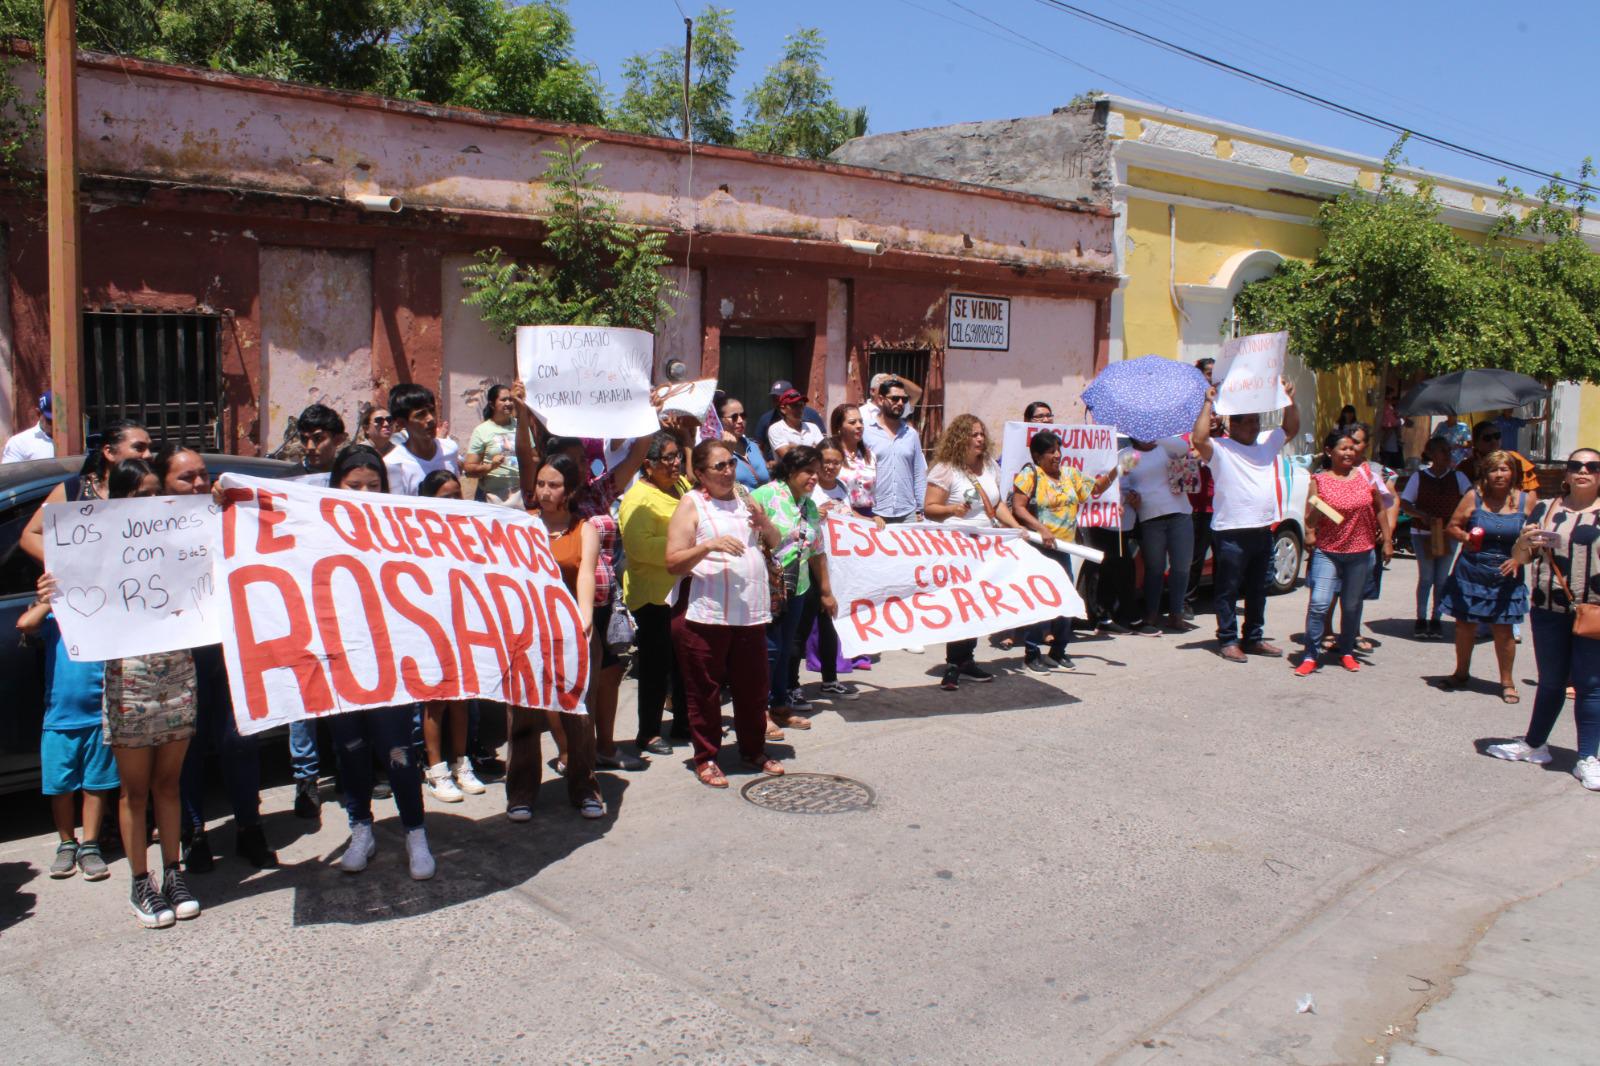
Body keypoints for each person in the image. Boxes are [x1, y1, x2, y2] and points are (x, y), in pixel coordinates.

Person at [321, 445, 435, 880]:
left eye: (373, 486)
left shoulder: (398, 529)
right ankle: (361, 828)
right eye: (354, 487)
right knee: (349, 749)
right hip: (339, 658)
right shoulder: (315, 529)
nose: (364, 494)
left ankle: (416, 832)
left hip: (388, 658)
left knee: (398, 750)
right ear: (335, 488)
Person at [160, 445, 275, 872]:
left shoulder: (226, 515)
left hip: (227, 648)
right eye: (185, 477)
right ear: (164, 484)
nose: (198, 483)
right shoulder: (146, 528)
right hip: (179, 654)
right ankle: (193, 834)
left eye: (202, 474)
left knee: (238, 741)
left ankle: (250, 828)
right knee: (185, 749)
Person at [101, 457, 202, 927]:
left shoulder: (179, 538)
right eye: (138, 494)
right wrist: (51, 589)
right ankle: (141, 881)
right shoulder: (98, 544)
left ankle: (173, 872)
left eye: (152, 491)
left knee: (168, 783)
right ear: (120, 498)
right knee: (135, 791)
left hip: (178, 669)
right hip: (129, 675)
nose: (148, 502)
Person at [665, 439, 785, 787]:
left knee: (753, 687)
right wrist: (708, 546)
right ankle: (706, 758)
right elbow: (672, 561)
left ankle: (753, 749)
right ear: (700, 473)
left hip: (749, 609)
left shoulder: (746, 498)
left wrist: (764, 524)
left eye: (731, 463)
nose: (728, 471)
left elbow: (774, 541)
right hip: (706, 613)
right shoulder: (692, 505)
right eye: (719, 466)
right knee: (705, 691)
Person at [1491, 449, 1600, 788]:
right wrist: (1523, 542)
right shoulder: (1546, 508)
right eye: (1575, 466)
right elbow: (1521, 558)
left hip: (1594, 610)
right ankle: (1535, 744)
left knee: (1590, 685)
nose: (1583, 471)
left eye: (1592, 466)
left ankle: (1587, 758)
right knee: (1551, 680)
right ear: (1566, 474)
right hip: (1547, 608)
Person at [505, 453, 605, 821]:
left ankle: (585, 788)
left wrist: (584, 619)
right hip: (528, 634)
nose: (544, 492)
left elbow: (585, 574)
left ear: (571, 490)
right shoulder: (520, 525)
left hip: (572, 635)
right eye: (541, 484)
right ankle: (520, 793)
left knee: (579, 716)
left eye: (554, 485)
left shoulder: (584, 529)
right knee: (524, 714)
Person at [1190, 379, 1301, 663]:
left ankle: (1253, 637)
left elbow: (1291, 429)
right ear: (1234, 425)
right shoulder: (1221, 448)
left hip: (1263, 529)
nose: (1254, 426)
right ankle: (1228, 639)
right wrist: (1208, 403)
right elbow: (1199, 439)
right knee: (1227, 590)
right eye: (1248, 422)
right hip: (1230, 532)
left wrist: (1289, 399)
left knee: (1258, 589)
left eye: (1256, 420)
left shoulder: (1264, 443)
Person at [17, 572, 116, 883]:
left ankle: (90, 845)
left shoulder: (103, 620)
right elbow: (25, 625)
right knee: (61, 789)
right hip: (59, 721)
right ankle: (66, 843)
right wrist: (48, 600)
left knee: (95, 786)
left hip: (97, 719)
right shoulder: (54, 622)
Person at [926, 414, 1016, 689]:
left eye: (981, 434)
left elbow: (996, 504)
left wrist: (1015, 527)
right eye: (974, 434)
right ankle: (954, 662)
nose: (980, 439)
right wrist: (953, 509)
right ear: (961, 438)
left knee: (977, 602)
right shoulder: (946, 469)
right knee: (960, 602)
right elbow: (930, 508)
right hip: (956, 545)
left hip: (984, 546)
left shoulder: (989, 466)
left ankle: (967, 659)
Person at [413, 470, 487, 803]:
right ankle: (436, 769)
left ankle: (462, 763)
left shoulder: (468, 531)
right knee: (436, 701)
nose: (455, 502)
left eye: (458, 495)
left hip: (462, 623)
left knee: (462, 698)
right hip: (431, 626)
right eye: (447, 497)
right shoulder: (416, 534)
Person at [1437, 450, 1534, 703]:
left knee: (1503, 630)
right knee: (1465, 625)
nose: (1499, 474)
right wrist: (1467, 537)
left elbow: (1535, 541)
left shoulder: (1526, 501)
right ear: (1486, 474)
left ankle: (1507, 682)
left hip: (1507, 574)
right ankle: (1460, 673)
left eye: (1504, 469)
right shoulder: (1474, 497)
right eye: (1493, 470)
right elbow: (1452, 527)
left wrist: (1519, 558)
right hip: (1471, 571)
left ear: (1513, 472)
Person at [1009, 429, 1109, 670]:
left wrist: (1119, 470)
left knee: (1066, 600)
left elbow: (1095, 489)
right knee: (1039, 600)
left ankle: (1058, 650)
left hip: (1064, 548)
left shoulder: (1070, 475)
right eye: (1050, 451)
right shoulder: (1030, 475)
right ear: (1037, 455)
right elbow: (1018, 508)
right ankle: (1032, 652)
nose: (1057, 455)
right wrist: (1041, 528)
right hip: (1037, 548)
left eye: (1058, 449)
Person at [752, 445, 837, 726]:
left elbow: (817, 552)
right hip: (767, 587)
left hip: (797, 587)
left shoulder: (810, 507)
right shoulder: (765, 495)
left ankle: (778, 705)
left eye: (816, 472)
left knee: (786, 648)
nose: (814, 478)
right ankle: (758, 711)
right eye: (808, 472)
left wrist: (825, 591)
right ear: (790, 470)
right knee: (769, 649)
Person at [619, 430, 692, 755]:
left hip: (683, 591)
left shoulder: (680, 487)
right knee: (654, 667)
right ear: (647, 465)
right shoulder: (637, 500)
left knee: (685, 662)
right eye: (669, 458)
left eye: (678, 456)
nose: (676, 463)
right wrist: (689, 547)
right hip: (653, 597)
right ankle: (647, 732)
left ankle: (683, 722)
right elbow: (639, 548)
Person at [1294, 428, 1389, 676]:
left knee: (1351, 605)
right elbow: (1310, 517)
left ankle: (1346, 651)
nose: (1349, 452)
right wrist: (1312, 527)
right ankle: (1310, 655)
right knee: (1319, 604)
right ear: (1329, 452)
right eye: (1343, 448)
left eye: (1352, 448)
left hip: (1361, 552)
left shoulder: (1365, 476)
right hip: (1329, 551)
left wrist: (1387, 539)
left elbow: (1380, 509)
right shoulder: (1319, 480)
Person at [20, 419, 152, 563]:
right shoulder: (75, 490)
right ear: (109, 452)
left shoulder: (156, 491)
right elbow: (31, 535)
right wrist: (64, 568)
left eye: (149, 448)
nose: (148, 455)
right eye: (139, 448)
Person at [805, 437, 875, 700]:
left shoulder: (842, 488)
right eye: (825, 462)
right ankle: (789, 686)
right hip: (811, 564)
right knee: (803, 626)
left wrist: (870, 521)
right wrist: (814, 514)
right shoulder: (810, 489)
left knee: (829, 623)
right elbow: (796, 515)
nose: (830, 467)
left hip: (838, 568)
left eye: (836, 462)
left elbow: (847, 514)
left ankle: (830, 679)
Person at [1123, 436, 1196, 635]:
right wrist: (1130, 497)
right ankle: (1152, 613)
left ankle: (1176, 613)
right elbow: (1123, 483)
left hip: (1180, 513)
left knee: (1181, 567)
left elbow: (1183, 448)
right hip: (1150, 517)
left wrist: (1159, 434)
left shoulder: (1166, 447)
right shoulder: (1130, 456)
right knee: (1154, 569)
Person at [1400, 437, 1471, 639]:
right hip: (1423, 534)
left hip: (1448, 534)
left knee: (1441, 579)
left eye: (1448, 450)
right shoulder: (1419, 477)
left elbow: (1470, 498)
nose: (1447, 455)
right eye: (1442, 451)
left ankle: (1436, 618)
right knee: (1426, 577)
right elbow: (1405, 503)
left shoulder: (1458, 477)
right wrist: (1423, 515)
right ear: (1431, 454)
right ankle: (1421, 618)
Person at [863, 378, 926, 525]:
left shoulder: (911, 435)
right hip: (875, 513)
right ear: (880, 399)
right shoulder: (866, 431)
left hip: (908, 514)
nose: (900, 403)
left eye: (904, 399)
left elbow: (919, 473)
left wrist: (920, 508)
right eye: (895, 398)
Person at [383, 383, 461, 495]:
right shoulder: (393, 464)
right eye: (420, 415)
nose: (431, 419)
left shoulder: (450, 449)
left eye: (432, 410)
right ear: (401, 422)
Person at [465, 384, 520, 502]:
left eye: (510, 399)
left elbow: (533, 457)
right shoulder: (481, 431)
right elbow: (469, 470)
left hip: (519, 495)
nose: (508, 403)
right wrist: (490, 466)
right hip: (491, 497)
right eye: (503, 400)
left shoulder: (521, 426)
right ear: (491, 404)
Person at [1458, 419, 1539, 493]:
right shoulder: (1466, 466)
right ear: (1476, 443)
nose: (1494, 441)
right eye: (1487, 438)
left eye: (1497, 436)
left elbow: (1529, 495)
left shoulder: (1514, 459)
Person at [751, 380, 825, 460]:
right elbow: (789, 457)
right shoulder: (771, 424)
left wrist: (794, 447)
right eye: (774, 398)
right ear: (783, 409)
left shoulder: (812, 421)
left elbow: (825, 451)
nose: (799, 409)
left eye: (801, 404)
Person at [829, 404, 877, 516]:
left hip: (867, 517)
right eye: (852, 422)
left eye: (861, 421)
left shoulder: (870, 456)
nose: (859, 426)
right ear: (839, 427)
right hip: (840, 516)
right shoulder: (831, 454)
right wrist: (854, 514)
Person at [716, 393, 770, 492]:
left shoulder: (753, 446)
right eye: (734, 417)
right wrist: (728, 452)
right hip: (743, 505)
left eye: (743, 415)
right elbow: (722, 485)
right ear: (721, 420)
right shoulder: (716, 451)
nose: (740, 421)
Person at [289, 403, 345, 485]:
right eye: (304, 439)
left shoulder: (350, 480)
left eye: (318, 438)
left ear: (338, 439)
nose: (310, 447)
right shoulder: (286, 481)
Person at [3, 391, 55, 462]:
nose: (56, 426)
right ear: (38, 414)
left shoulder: (73, 439)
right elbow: (10, 472)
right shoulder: (19, 443)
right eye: (50, 421)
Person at [1378, 387, 1405, 470]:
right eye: (1391, 396)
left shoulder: (1389, 408)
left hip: (1392, 441)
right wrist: (1401, 420)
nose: (1392, 399)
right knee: (1389, 466)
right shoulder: (1387, 408)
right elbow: (1391, 425)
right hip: (1389, 442)